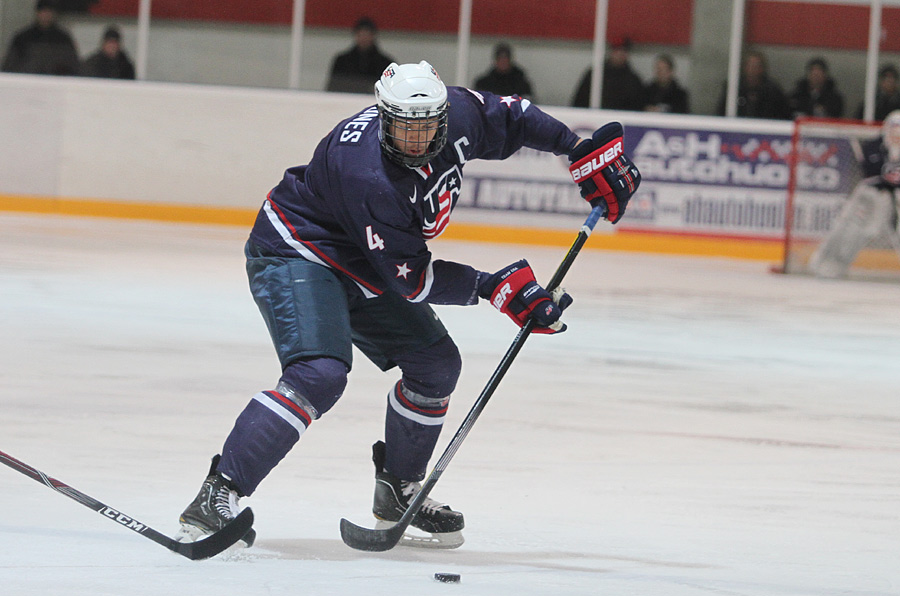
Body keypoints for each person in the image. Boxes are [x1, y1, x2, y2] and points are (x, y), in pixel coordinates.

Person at [175, 61, 640, 550]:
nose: (416, 139)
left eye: (425, 127)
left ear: (442, 116)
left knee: (435, 365)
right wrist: (494, 287)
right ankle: (216, 496)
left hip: (366, 259)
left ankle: (398, 490)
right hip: (300, 249)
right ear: (383, 116)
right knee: (320, 373)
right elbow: (414, 280)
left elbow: (515, 114)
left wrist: (577, 150)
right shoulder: (371, 177)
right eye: (403, 127)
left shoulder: (456, 113)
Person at [809, 110, 900, 278]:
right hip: (872, 195)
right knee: (851, 228)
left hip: (895, 197)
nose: (897, 133)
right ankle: (827, 263)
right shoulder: (873, 146)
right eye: (895, 127)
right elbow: (873, 172)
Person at [1, 0, 79, 76]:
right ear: (37, 13)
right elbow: (10, 66)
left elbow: (73, 66)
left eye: (49, 12)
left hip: (56, 84)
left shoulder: (63, 39)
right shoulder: (22, 38)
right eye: (43, 11)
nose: (46, 15)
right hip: (27, 82)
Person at [572, 37, 646, 111]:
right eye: (617, 50)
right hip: (595, 119)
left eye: (624, 51)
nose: (620, 54)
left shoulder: (634, 80)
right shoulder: (595, 74)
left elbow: (638, 108)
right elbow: (579, 102)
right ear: (611, 52)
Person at [326, 17, 395, 94]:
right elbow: (332, 89)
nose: (364, 38)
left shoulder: (385, 63)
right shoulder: (342, 61)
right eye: (361, 34)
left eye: (367, 35)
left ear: (373, 36)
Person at [716, 50, 790, 120]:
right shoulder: (734, 88)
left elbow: (782, 116)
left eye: (757, 66)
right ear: (745, 67)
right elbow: (722, 112)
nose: (753, 69)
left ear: (762, 68)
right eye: (750, 65)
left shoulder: (773, 91)